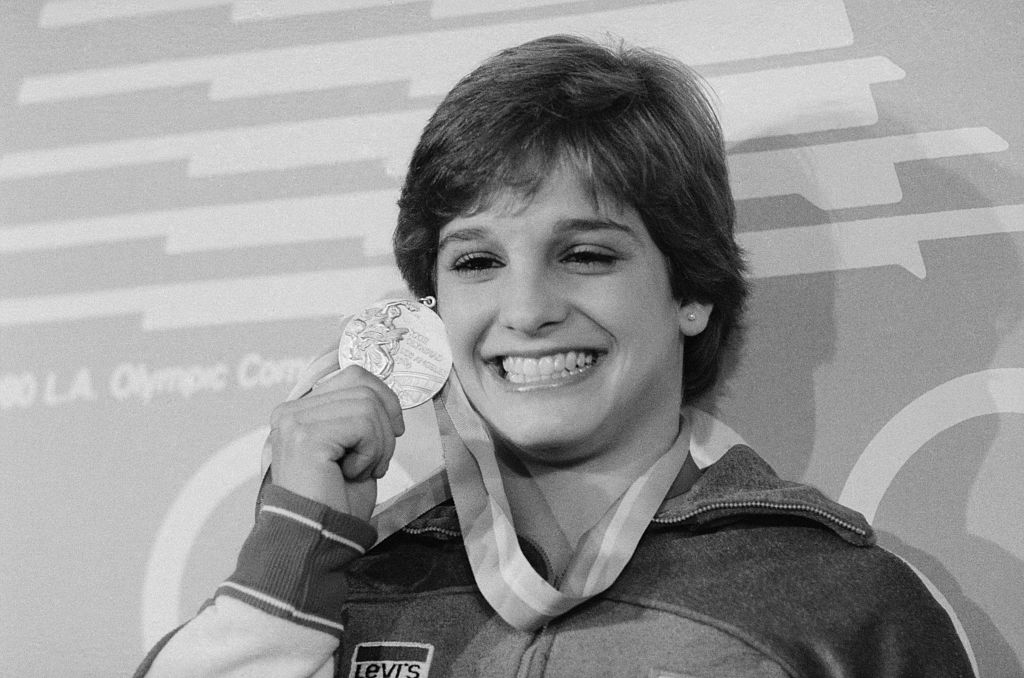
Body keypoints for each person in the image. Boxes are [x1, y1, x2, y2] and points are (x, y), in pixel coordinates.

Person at [135, 35, 974, 677]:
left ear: (693, 290)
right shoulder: (349, 591)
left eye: (586, 254)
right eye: (476, 261)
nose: (529, 309)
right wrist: (295, 556)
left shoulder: (842, 600)